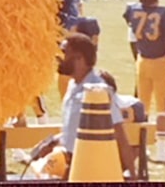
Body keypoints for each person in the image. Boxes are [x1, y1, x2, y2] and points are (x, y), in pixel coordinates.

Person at [36, 34, 136, 180]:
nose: (58, 56)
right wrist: (54, 141)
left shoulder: (98, 90)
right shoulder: (72, 84)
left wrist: (133, 175)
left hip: (91, 166)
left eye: (64, 52)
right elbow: (76, 127)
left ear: (79, 58)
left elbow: (119, 132)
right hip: (69, 164)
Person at [122, 0, 165, 161]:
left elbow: (132, 21)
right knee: (163, 108)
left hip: (142, 61)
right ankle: (162, 150)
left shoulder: (132, 9)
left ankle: (142, 147)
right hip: (159, 63)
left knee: (142, 107)